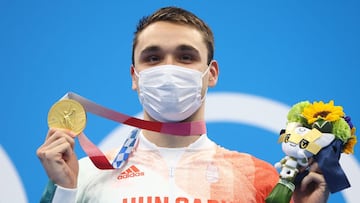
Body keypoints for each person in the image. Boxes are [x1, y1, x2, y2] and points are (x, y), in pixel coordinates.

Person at [36, 6, 330, 203]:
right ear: (135, 76)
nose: (168, 68)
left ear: (211, 73)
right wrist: (64, 192)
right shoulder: (83, 175)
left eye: (185, 56)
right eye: (153, 57)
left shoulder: (261, 178)